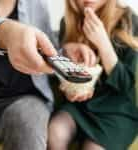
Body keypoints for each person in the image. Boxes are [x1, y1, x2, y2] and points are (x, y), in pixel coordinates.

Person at [48, 0, 138, 150]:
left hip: (116, 112)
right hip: (79, 107)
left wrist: (103, 42)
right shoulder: (68, 22)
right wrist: (70, 89)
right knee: (54, 133)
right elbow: (64, 75)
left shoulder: (128, 20)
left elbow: (125, 85)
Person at [0, 0, 58, 150]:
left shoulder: (38, 5)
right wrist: (7, 32)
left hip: (23, 99)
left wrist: (68, 50)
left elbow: (51, 50)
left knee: (28, 118)